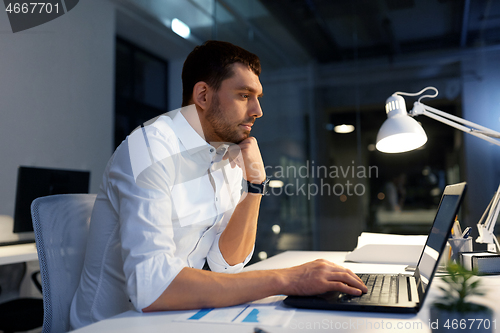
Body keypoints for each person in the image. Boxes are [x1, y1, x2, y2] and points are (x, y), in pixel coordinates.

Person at [70, 41, 367, 329]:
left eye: (257, 96)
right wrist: (288, 279)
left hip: (177, 317)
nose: (257, 110)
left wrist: (256, 185)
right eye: (243, 95)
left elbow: (226, 264)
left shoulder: (225, 153)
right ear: (202, 96)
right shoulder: (149, 149)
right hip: (114, 325)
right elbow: (153, 288)